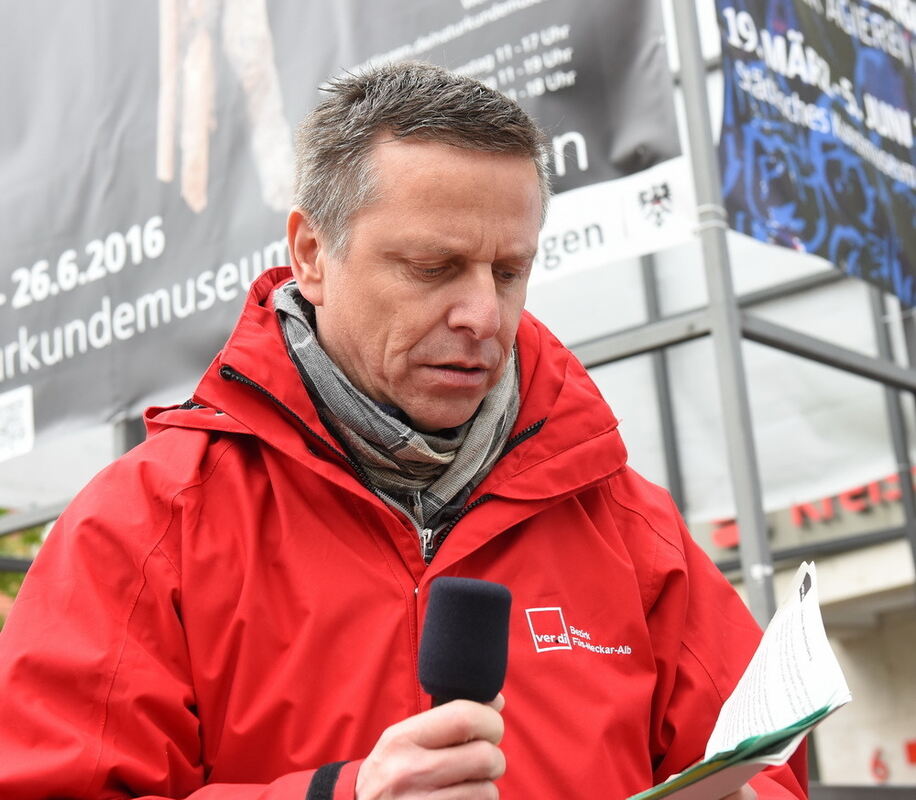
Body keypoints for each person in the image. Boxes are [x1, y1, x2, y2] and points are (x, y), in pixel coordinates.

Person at [0, 62, 807, 799]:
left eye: (509, 271)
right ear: (312, 253)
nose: (483, 315)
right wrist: (337, 796)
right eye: (432, 269)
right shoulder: (147, 526)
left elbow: (764, 770)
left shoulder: (629, 526)